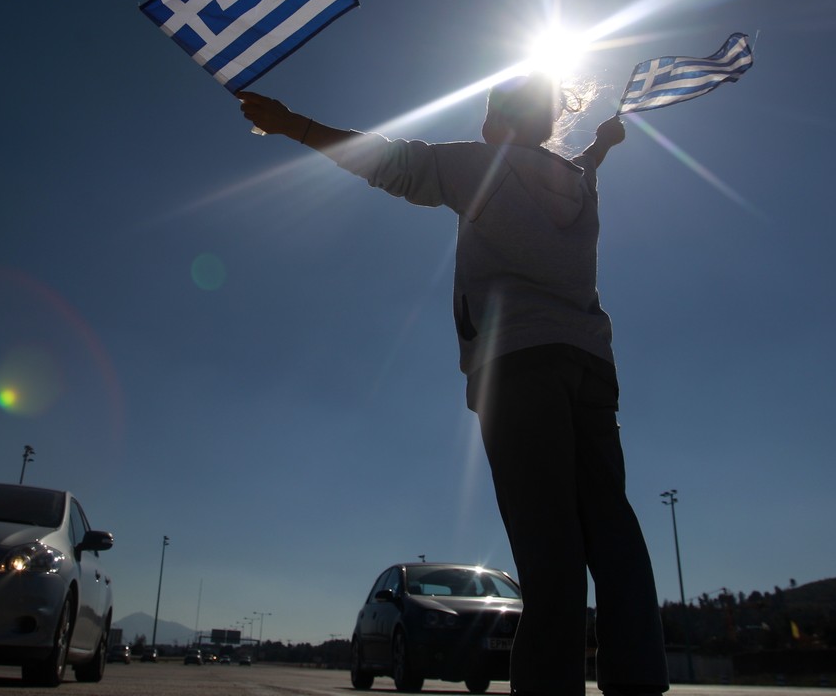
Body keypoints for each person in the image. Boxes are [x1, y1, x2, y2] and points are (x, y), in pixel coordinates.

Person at [238, 77, 669, 696]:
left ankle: (551, 685)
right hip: (591, 363)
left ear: (494, 124)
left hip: (518, 362)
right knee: (611, 523)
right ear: (547, 125)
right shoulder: (577, 183)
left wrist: (293, 123)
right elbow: (579, 168)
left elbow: (386, 162)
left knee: (547, 535)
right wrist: (601, 147)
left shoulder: (477, 167)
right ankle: (640, 680)